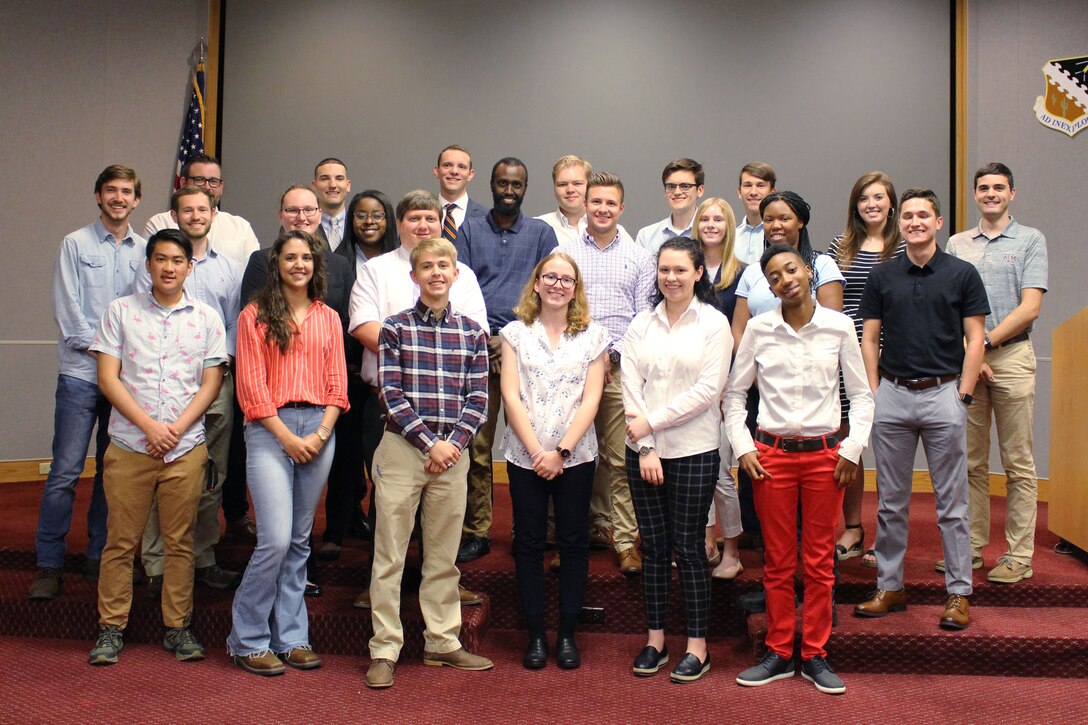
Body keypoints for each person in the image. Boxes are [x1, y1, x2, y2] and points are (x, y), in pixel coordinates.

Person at [730, 243, 873, 695]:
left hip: (824, 458)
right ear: (769, 287)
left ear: (808, 272)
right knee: (776, 561)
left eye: (790, 269)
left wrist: (851, 450)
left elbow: (863, 396)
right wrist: (741, 446)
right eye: (774, 276)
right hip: (770, 456)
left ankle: (814, 654)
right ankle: (778, 652)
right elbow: (735, 397)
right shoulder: (758, 328)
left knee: (818, 562)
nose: (784, 280)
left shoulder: (839, 326)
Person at [87, 229, 227, 666]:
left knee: (180, 541)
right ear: (147, 265)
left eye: (177, 260)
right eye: (160, 259)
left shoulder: (206, 317)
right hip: (130, 444)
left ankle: (177, 627)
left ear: (190, 266)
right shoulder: (120, 312)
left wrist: (176, 429)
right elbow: (108, 378)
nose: (168, 267)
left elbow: (211, 383)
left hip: (185, 448)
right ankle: (111, 628)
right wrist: (150, 426)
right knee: (120, 542)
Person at [854, 189, 988, 631]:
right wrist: (875, 393)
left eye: (923, 215)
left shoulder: (962, 273)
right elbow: (869, 339)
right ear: (900, 221)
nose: (915, 222)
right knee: (891, 502)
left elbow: (975, 339)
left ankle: (958, 592)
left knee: (952, 503)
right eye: (908, 215)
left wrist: (963, 395)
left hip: (943, 395)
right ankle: (890, 587)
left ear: (938, 221)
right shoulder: (882, 275)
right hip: (891, 395)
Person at [348, 190, 488, 609]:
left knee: (442, 527)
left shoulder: (461, 272)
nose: (422, 225)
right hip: (394, 410)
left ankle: (439, 596)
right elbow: (362, 325)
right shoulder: (376, 270)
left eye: (430, 217)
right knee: (389, 516)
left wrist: (445, 443)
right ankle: (382, 598)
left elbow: (475, 338)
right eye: (414, 218)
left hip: (452, 423)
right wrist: (410, 352)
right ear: (401, 222)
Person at [365, 238, 494, 689]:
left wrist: (452, 445)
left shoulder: (473, 332)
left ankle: (442, 641)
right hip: (403, 451)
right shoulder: (394, 328)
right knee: (390, 556)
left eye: (444, 265)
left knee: (443, 557)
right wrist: (428, 444)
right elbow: (390, 394)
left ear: (455, 274)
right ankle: (385, 648)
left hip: (452, 456)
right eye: (427, 266)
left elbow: (479, 398)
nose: (436, 272)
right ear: (414, 275)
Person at [228, 230, 349, 676]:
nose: (299, 264)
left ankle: (292, 636)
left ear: (316, 265)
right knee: (274, 539)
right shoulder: (254, 315)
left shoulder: (328, 318)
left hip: (319, 429)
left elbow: (339, 383)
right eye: (290, 257)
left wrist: (319, 434)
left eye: (306, 258)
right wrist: (287, 436)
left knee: (299, 541)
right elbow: (251, 389)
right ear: (275, 263)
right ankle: (248, 638)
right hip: (269, 430)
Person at [30, 165, 147, 601]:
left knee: (110, 474)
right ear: (98, 196)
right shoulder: (75, 244)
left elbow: (144, 308)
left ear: (137, 200)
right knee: (64, 472)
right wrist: (107, 352)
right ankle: (48, 563)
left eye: (127, 192)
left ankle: (100, 553)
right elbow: (68, 311)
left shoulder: (146, 250)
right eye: (111, 190)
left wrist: (121, 360)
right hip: (81, 376)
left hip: (125, 383)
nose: (119, 197)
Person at [623, 237, 731, 684]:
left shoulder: (714, 323)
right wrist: (646, 444)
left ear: (698, 273)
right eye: (664, 270)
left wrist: (652, 424)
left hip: (693, 449)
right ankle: (655, 640)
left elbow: (709, 391)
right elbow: (629, 382)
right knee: (652, 548)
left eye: (680, 270)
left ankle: (697, 647)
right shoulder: (641, 323)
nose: (671, 278)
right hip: (642, 452)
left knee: (688, 549)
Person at [500, 253, 609, 670]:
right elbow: (510, 394)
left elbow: (593, 397)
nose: (558, 285)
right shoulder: (515, 333)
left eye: (567, 279)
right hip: (524, 455)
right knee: (527, 544)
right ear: (538, 282)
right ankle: (535, 636)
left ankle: (566, 634)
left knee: (573, 542)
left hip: (575, 456)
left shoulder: (594, 335)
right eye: (550, 277)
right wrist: (536, 453)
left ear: (575, 287)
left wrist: (561, 451)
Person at [137, 186, 242, 596]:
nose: (196, 215)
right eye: (187, 209)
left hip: (214, 382)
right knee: (158, 471)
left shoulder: (228, 267)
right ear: (174, 214)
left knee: (210, 475)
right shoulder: (154, 260)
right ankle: (156, 563)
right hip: (160, 385)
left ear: (214, 214)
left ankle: (203, 556)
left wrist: (220, 364)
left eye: (203, 209)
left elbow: (234, 322)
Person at [947, 162, 1047, 584]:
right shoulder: (956, 244)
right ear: (974, 195)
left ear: (1012, 193)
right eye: (984, 188)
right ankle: (969, 549)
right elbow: (946, 303)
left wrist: (983, 344)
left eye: (999, 187)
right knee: (968, 460)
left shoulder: (1029, 240)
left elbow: (1030, 307)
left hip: (1011, 357)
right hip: (967, 359)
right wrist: (970, 351)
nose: (991, 194)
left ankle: (1018, 555)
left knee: (1018, 462)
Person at [455, 157, 558, 563]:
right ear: (493, 185)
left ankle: (527, 529)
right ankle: (477, 530)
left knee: (529, 444)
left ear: (525, 187)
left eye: (516, 184)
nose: (509, 190)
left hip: (529, 350)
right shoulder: (468, 231)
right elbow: (459, 290)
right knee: (478, 446)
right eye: (502, 183)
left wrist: (513, 338)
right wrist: (489, 339)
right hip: (479, 350)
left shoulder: (540, 233)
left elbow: (552, 292)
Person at [730, 191, 844, 551]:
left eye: (784, 218)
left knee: (811, 496)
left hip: (811, 391)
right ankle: (770, 557)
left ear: (801, 222)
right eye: (769, 219)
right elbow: (740, 328)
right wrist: (755, 370)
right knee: (761, 477)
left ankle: (814, 581)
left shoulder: (822, 264)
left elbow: (830, 326)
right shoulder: (752, 272)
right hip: (762, 387)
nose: (776, 225)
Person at [557, 172, 655, 575]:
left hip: (618, 370)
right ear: (585, 204)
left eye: (610, 203)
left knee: (619, 459)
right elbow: (554, 307)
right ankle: (570, 542)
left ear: (621, 208)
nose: (602, 209)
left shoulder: (639, 257)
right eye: (595, 202)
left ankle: (625, 540)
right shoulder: (564, 253)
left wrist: (611, 358)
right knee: (571, 457)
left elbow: (642, 317)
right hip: (569, 371)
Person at [827, 172, 904, 568]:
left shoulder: (906, 245)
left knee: (890, 444)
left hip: (895, 354)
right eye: (864, 198)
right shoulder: (840, 247)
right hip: (845, 355)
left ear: (891, 203)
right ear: (855, 205)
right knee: (850, 442)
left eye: (879, 197)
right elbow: (827, 303)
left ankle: (890, 537)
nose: (871, 204)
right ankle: (853, 528)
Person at [318, 189, 399, 558]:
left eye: (377, 215)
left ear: (389, 221)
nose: (369, 222)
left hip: (390, 374)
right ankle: (338, 526)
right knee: (345, 457)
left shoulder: (403, 263)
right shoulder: (334, 262)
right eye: (361, 215)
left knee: (384, 461)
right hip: (344, 372)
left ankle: (381, 527)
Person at [690, 197, 745, 579]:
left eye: (718, 219)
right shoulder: (686, 268)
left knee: (723, 473)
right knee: (697, 470)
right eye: (704, 218)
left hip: (725, 382)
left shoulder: (742, 273)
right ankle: (705, 540)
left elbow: (741, 335)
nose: (711, 224)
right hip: (687, 383)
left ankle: (732, 550)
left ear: (729, 226)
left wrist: (728, 385)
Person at [144, 152, 260, 271]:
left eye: (214, 181)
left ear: (221, 186)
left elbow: (254, 277)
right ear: (183, 183)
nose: (207, 187)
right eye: (199, 179)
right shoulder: (160, 223)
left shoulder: (241, 228)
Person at [536, 155, 635, 247]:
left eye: (577, 183)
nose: (570, 190)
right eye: (562, 184)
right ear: (554, 188)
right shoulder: (538, 227)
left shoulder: (618, 233)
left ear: (589, 186)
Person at [635, 158, 706, 254]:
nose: (677, 192)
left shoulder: (712, 233)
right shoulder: (646, 236)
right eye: (671, 186)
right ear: (664, 191)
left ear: (700, 190)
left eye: (685, 186)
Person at [434, 144, 487, 241]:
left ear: (470, 174)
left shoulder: (487, 217)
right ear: (437, 171)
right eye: (447, 165)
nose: (454, 171)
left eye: (461, 167)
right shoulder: (422, 214)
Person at [734, 163, 777, 264]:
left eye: (760, 185)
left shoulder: (779, 235)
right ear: (739, 192)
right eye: (747, 185)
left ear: (772, 192)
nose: (753, 192)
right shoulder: (731, 238)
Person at [312, 158, 352, 251]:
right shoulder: (303, 225)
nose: (333, 185)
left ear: (348, 185)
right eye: (325, 178)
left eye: (339, 178)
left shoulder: (359, 226)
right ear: (314, 186)